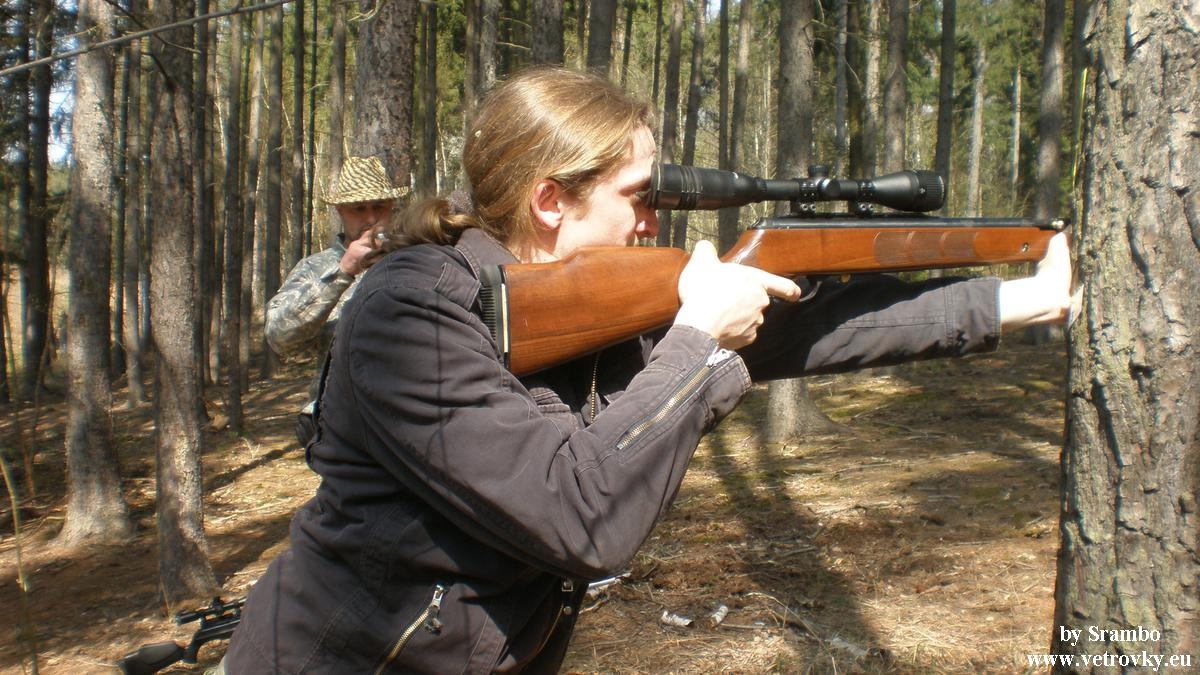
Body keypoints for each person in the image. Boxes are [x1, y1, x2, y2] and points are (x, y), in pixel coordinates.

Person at [226, 67, 1072, 673]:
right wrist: (699, 336)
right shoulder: (407, 308)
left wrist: (1019, 300)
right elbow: (581, 516)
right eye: (639, 197)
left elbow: (820, 327)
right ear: (550, 200)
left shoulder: (597, 299)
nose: (652, 223)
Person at [265, 155, 409, 446]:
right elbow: (278, 336)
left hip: (405, 419)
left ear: (392, 207)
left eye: (379, 206)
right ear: (340, 210)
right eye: (359, 208)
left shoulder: (413, 260)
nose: (370, 218)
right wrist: (343, 271)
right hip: (340, 425)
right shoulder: (316, 268)